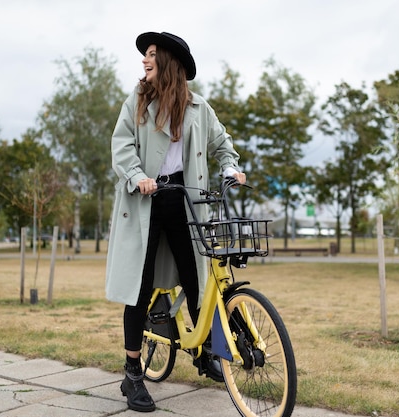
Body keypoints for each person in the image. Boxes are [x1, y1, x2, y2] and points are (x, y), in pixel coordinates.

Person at [105, 31, 246, 413]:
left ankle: (204, 353)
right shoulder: (136, 102)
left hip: (187, 202)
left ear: (168, 62)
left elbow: (222, 144)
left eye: (151, 55)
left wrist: (231, 168)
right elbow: (122, 147)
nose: (144, 60)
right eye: (144, 55)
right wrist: (137, 176)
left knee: (197, 278)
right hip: (146, 201)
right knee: (140, 285)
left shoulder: (199, 108)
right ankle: (133, 372)